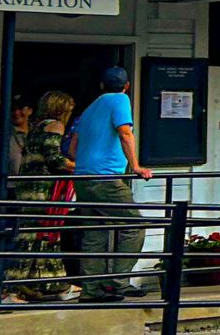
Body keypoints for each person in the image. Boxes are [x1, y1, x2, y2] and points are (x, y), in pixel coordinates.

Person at [66, 67, 151, 303]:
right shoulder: (120, 100)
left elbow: (72, 148)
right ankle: (117, 282)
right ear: (127, 86)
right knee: (134, 226)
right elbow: (124, 132)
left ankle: (92, 290)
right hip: (106, 178)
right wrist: (136, 166)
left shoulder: (90, 109)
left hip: (83, 178)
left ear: (101, 86)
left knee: (95, 232)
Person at [13, 90, 78, 299]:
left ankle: (37, 284)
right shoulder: (55, 125)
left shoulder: (36, 127)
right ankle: (17, 286)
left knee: (34, 235)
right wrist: (80, 166)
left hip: (27, 187)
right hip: (43, 190)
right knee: (44, 234)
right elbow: (54, 159)